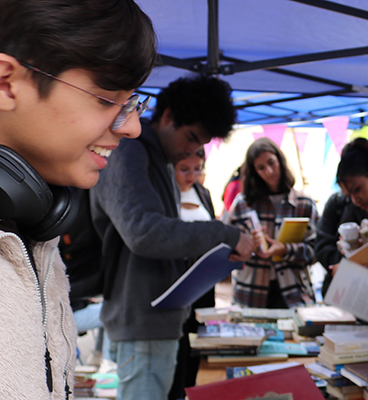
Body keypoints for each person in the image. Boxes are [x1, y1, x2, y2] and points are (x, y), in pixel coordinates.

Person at [0, 1, 155, 397]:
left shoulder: (33, 223)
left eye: (133, 102)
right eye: (106, 99)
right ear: (6, 83)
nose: (133, 127)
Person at [91, 75, 254, 399]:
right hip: (143, 321)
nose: (192, 149)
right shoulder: (130, 151)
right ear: (167, 117)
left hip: (156, 318)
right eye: (191, 136)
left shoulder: (158, 158)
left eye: (201, 143)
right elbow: (144, 232)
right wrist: (223, 234)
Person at [226, 137, 320, 309]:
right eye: (261, 167)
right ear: (254, 172)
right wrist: (247, 248)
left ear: (280, 161)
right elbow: (227, 250)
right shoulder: (242, 203)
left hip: (295, 294)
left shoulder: (304, 203)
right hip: (250, 294)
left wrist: (285, 250)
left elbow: (316, 251)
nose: (269, 171)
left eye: (271, 163)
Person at [315, 138, 368, 296]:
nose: (355, 200)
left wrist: (353, 267)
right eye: (349, 195)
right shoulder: (339, 204)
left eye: (358, 189)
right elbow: (321, 246)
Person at [168, 147, 218, 400]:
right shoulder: (165, 195)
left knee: (196, 344)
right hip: (177, 283)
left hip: (203, 283)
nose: (191, 176)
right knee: (177, 347)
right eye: (184, 169)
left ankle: (189, 392)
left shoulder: (203, 192)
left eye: (196, 169)